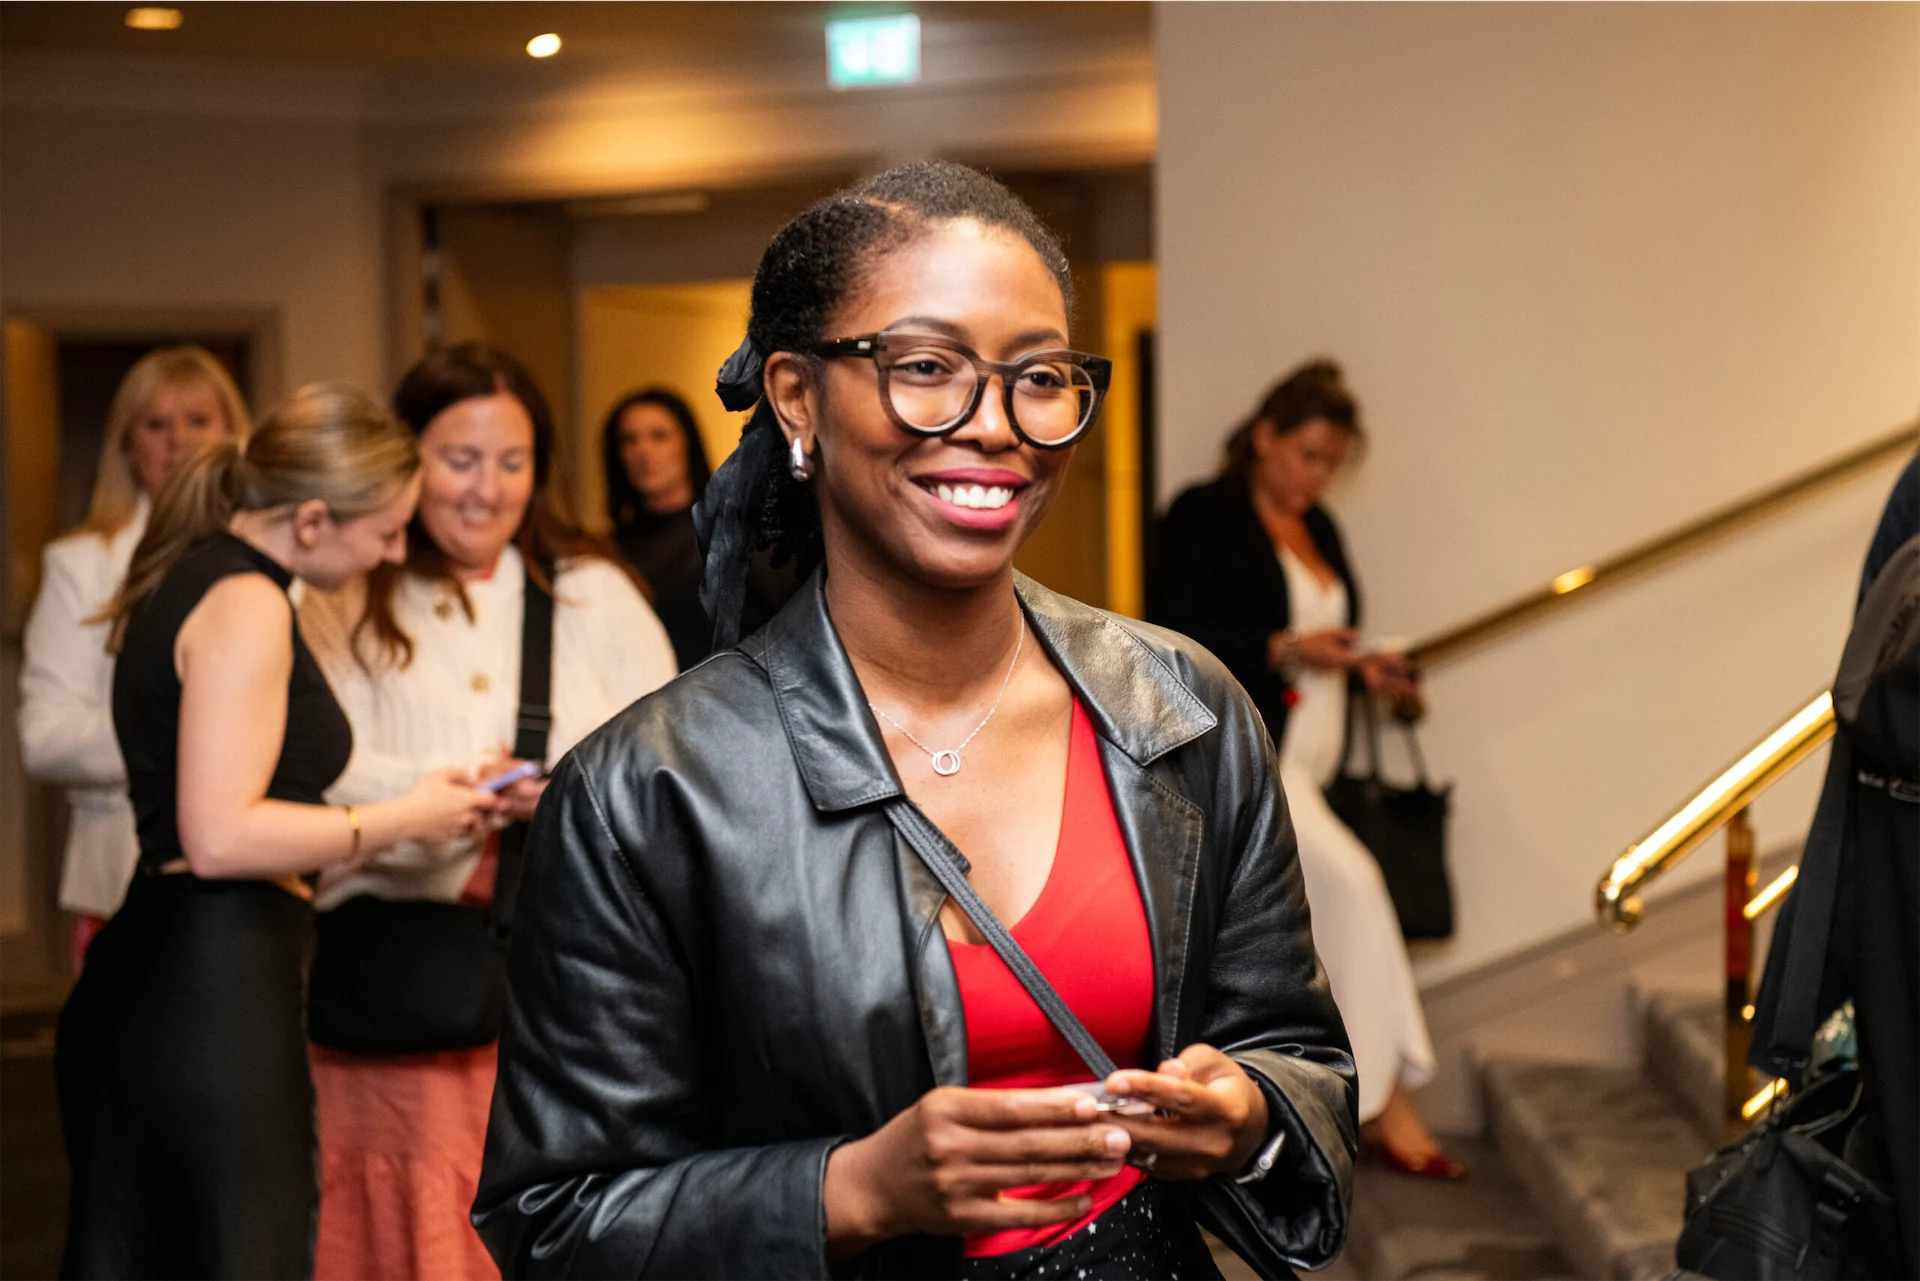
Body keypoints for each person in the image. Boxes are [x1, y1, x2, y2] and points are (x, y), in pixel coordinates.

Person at [474, 161, 1356, 1281]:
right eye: (928, 368)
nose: (994, 425)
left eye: (1039, 376)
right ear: (796, 397)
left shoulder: (1180, 711)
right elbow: (555, 1221)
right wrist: (854, 1190)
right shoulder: (648, 790)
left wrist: (1251, 1113)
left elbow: (1298, 1053)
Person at [55, 384, 496, 1281]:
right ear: (311, 519)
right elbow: (218, 834)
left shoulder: (206, 574)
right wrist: (405, 819)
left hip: (182, 965)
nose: (395, 551)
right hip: (209, 976)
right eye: (385, 531)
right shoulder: (248, 601)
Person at [295, 344, 676, 1281]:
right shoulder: (343, 591)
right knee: (401, 1237)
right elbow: (301, 774)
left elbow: (669, 765)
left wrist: (565, 794)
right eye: (459, 460)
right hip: (395, 990)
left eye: (512, 462)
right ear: (405, 458)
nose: (487, 489)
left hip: (564, 990)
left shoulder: (593, 593)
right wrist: (439, 795)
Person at [1148, 360, 1461, 1179]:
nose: (1318, 477)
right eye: (1309, 455)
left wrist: (1365, 666)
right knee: (1355, 888)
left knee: (1323, 930)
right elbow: (1169, 632)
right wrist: (1286, 648)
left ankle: (1335, 1101)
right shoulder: (1204, 513)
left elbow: (1330, 636)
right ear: (1265, 437)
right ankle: (1384, 1104)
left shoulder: (1318, 527)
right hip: (1249, 761)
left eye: (1332, 463)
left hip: (1313, 766)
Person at [18, 344, 250, 972]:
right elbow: (45, 740)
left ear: (233, 434)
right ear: (127, 447)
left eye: (198, 420)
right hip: (122, 878)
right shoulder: (81, 565)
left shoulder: (282, 559)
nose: (179, 442)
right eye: (156, 424)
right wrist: (198, 738)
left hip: (260, 881)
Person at [602, 387, 715, 669]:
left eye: (659, 436)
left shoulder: (731, 537)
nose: (643, 451)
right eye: (629, 440)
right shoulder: (606, 552)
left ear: (687, 444)